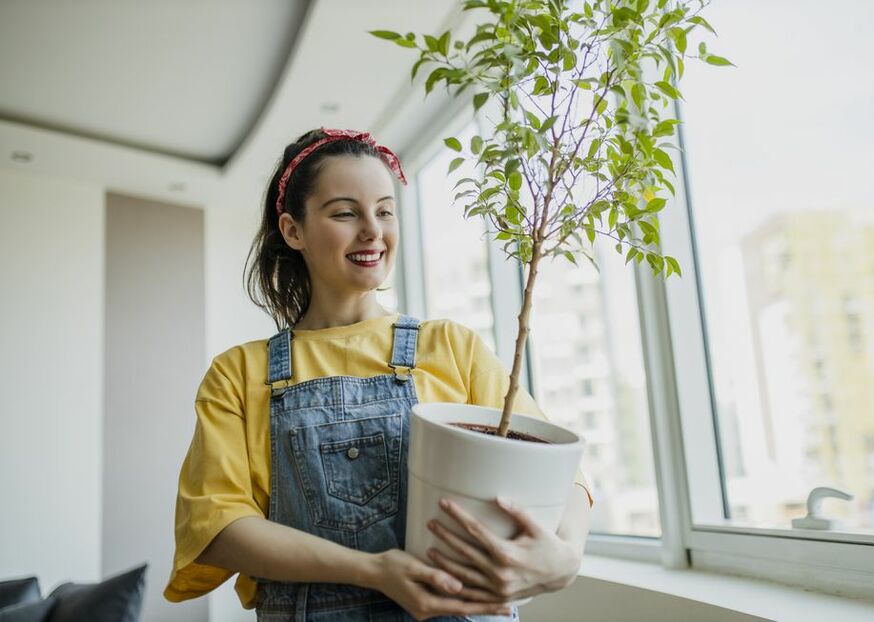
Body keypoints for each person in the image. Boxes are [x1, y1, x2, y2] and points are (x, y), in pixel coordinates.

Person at [163, 128, 594, 621]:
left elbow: (558, 470)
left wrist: (565, 557)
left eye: (385, 210)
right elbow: (216, 525)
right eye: (345, 212)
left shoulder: (451, 346)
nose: (373, 230)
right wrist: (372, 570)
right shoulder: (239, 374)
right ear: (293, 230)